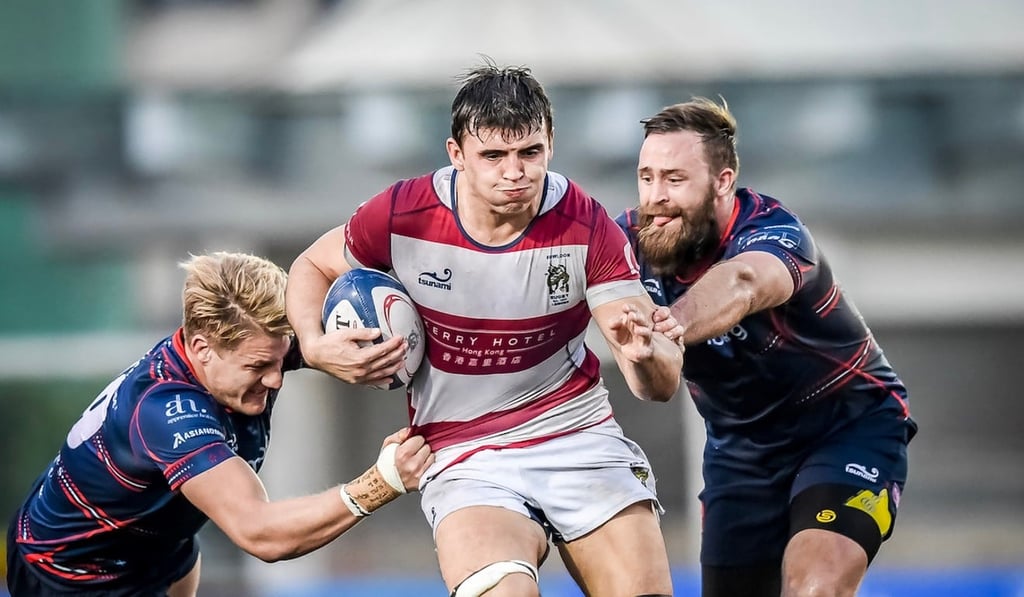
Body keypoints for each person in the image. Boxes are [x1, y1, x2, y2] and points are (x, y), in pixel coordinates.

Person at [287, 60, 684, 597]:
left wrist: (646, 355)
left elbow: (658, 388)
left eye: (530, 153)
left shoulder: (586, 224)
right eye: (493, 156)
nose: (514, 172)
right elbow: (311, 265)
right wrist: (314, 345)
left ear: (550, 146)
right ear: (457, 155)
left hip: (576, 435)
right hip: (462, 453)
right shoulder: (404, 214)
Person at [616, 97, 918, 597]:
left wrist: (670, 324)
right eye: (646, 177)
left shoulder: (774, 231)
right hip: (740, 453)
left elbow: (745, 281)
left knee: (814, 587)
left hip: (847, 428)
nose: (656, 196)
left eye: (674, 179)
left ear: (722, 182)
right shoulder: (627, 243)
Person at [6, 251, 434, 597]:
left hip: (162, 552)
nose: (276, 378)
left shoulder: (248, 347)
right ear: (201, 348)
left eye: (281, 358)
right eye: (259, 366)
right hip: (70, 576)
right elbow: (260, 533)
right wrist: (383, 481)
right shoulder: (167, 412)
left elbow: (331, 276)